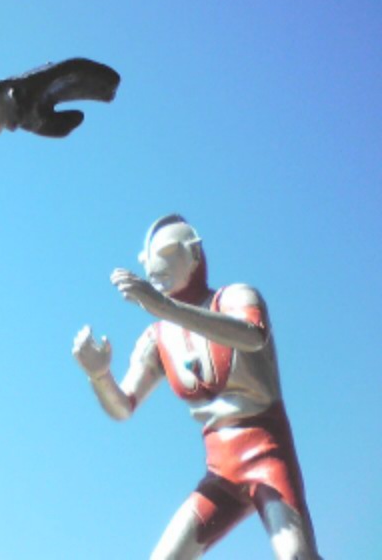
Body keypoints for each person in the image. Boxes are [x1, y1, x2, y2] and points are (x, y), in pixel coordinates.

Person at [73, 214, 320, 559]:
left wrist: (165, 307)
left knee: (297, 555)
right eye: (149, 260)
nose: (155, 268)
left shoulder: (235, 297)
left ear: (193, 255)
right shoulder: (157, 338)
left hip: (267, 452)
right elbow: (124, 406)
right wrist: (99, 375)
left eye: (166, 254)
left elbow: (252, 336)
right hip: (221, 469)